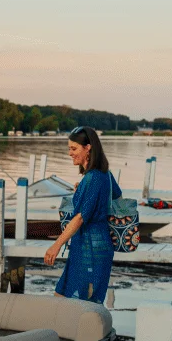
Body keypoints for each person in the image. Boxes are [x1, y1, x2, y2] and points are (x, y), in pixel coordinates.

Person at [44, 126, 121, 303]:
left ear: (88, 148)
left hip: (91, 251)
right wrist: (84, 191)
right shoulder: (103, 174)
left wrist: (56, 245)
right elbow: (117, 196)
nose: (70, 153)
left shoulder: (93, 177)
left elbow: (79, 217)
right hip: (83, 248)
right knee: (62, 299)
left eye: (74, 148)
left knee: (84, 307)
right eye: (69, 148)